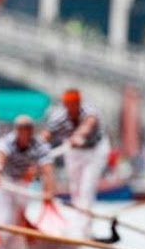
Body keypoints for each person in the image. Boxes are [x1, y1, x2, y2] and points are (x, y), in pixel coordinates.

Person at [41, 89, 109, 238]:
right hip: (72, 151)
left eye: (75, 104)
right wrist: (34, 152)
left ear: (79, 103)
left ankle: (84, 229)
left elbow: (88, 124)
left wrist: (78, 135)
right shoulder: (58, 117)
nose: (72, 107)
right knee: (75, 189)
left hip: (94, 151)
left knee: (87, 188)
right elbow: (45, 137)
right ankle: (78, 225)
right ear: (65, 105)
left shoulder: (89, 112)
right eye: (69, 104)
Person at [0, 116, 56, 249]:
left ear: (32, 131)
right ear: (16, 130)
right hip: (1, 182)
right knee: (6, 218)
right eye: (21, 129)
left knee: (18, 219)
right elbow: (0, 158)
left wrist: (49, 192)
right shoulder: (6, 142)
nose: (24, 133)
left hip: (20, 184)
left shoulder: (40, 145)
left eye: (28, 129)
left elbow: (47, 170)